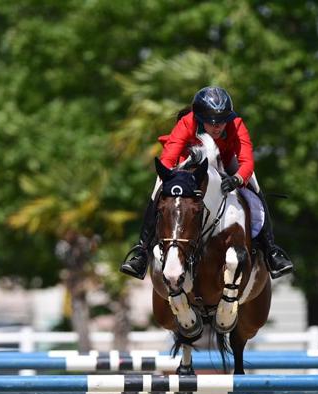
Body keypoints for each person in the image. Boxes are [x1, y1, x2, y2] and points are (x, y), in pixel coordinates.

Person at [120, 86, 294, 280]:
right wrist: (170, 178)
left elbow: (247, 161)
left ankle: (271, 250)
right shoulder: (188, 122)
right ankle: (141, 252)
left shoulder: (236, 124)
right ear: (200, 118)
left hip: (225, 161)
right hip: (191, 160)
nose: (218, 127)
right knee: (159, 189)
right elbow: (168, 157)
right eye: (211, 122)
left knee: (254, 185)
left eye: (222, 121)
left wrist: (237, 179)